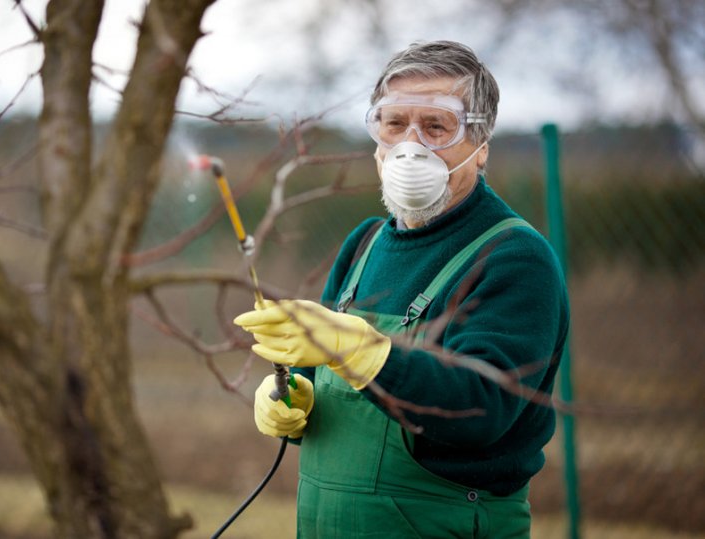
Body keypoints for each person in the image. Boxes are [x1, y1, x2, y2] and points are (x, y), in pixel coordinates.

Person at [234, 40, 570, 538]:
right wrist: (292, 396)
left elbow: (481, 409)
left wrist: (360, 350)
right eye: (394, 124)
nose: (411, 145)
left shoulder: (513, 257)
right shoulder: (364, 244)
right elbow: (317, 376)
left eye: (436, 126)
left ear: (480, 149)